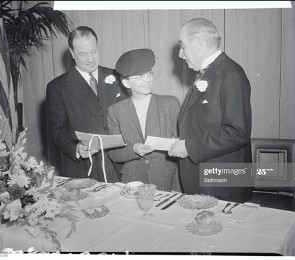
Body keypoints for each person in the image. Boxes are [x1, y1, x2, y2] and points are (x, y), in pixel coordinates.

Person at [168, 18, 253, 202]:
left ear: (198, 44)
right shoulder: (207, 72)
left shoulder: (231, 73)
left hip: (221, 185)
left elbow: (238, 132)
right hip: (204, 180)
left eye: (183, 47)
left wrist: (189, 147)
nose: (181, 54)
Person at [46, 26, 128, 182]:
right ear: (72, 53)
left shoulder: (117, 76)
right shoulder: (57, 87)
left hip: (119, 164)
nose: (91, 59)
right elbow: (57, 131)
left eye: (94, 52)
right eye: (83, 54)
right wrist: (75, 148)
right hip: (83, 167)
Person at [107, 49, 180, 191]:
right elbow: (114, 154)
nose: (147, 80)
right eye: (139, 76)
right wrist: (133, 149)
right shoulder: (116, 111)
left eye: (149, 73)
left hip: (165, 179)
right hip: (133, 182)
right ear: (126, 83)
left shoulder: (170, 104)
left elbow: (183, 144)